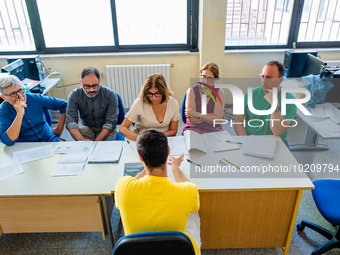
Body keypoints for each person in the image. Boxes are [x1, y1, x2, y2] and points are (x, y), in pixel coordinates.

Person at [115, 129, 201, 255]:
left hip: (136, 250)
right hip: (177, 249)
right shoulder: (188, 192)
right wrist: (175, 167)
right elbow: (187, 185)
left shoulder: (123, 187)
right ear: (168, 151)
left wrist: (147, 164)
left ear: (140, 157)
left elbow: (132, 182)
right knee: (193, 213)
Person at [233, 61, 297, 146]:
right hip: (251, 140)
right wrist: (246, 142)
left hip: (276, 142)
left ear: (280, 80)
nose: (264, 81)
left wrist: (274, 104)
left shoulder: (289, 100)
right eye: (263, 76)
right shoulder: (250, 94)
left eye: (269, 77)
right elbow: (238, 122)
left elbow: (276, 131)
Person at [0, 74, 67, 146]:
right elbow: (8, 141)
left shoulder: (35, 98)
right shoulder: (3, 111)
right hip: (25, 147)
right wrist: (19, 115)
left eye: (21, 90)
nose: (20, 96)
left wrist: (59, 129)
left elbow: (65, 105)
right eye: (13, 94)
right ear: (3, 97)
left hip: (49, 139)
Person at [119, 73, 180, 141]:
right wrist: (140, 138)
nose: (153, 98)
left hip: (163, 139)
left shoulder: (173, 103)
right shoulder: (140, 102)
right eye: (150, 94)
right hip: (142, 139)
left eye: (157, 93)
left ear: (164, 92)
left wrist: (155, 138)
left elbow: (173, 130)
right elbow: (123, 128)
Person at [66, 67, 118, 141]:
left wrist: (96, 142)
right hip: (87, 128)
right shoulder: (75, 95)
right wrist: (82, 140)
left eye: (94, 85)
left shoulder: (110, 95)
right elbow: (71, 122)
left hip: (105, 129)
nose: (91, 90)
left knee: (104, 150)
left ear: (99, 81)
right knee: (84, 149)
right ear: (81, 82)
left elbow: (110, 122)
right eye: (87, 86)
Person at [182, 62, 225, 134]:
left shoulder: (220, 93)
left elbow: (217, 119)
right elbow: (191, 119)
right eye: (203, 76)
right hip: (193, 128)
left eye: (209, 78)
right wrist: (210, 116)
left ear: (214, 79)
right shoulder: (191, 91)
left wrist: (197, 114)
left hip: (214, 129)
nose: (205, 81)